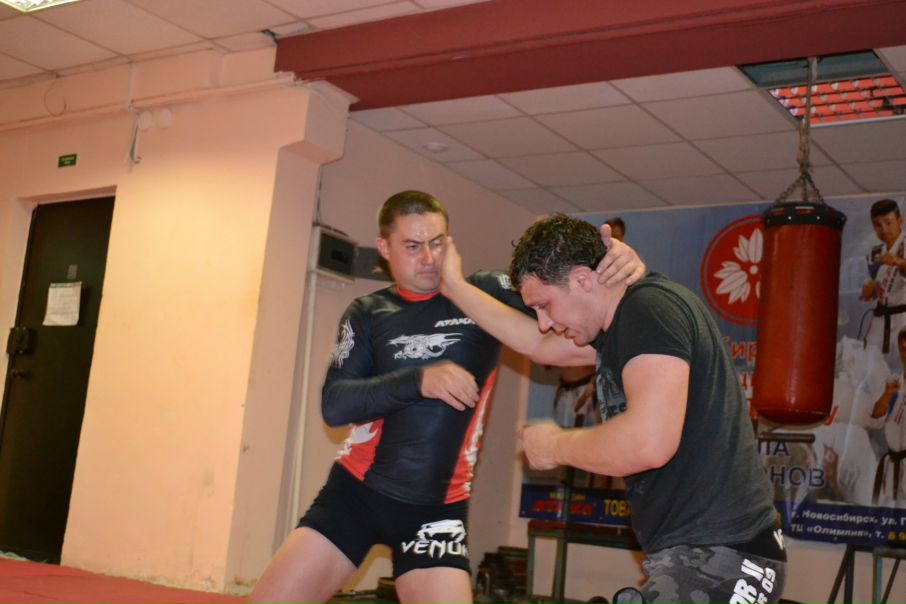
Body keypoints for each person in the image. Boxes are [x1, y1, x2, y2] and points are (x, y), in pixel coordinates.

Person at [248, 192, 645, 604]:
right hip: (354, 496)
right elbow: (335, 405)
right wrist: (419, 380)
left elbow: (581, 334)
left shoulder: (484, 292)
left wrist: (618, 275)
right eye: (412, 246)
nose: (428, 258)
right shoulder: (368, 312)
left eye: (437, 243)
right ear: (384, 248)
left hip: (436, 512)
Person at [440, 213, 787, 604]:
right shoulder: (618, 328)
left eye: (545, 305)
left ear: (582, 280)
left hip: (728, 555)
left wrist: (555, 445)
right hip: (697, 557)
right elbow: (535, 345)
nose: (544, 322)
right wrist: (453, 286)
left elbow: (648, 443)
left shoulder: (649, 311)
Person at [860, 198, 906, 355]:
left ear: (900, 220)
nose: (884, 229)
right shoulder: (875, 253)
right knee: (873, 362)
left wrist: (900, 262)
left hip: (903, 319)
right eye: (878, 225)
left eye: (888, 222)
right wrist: (868, 291)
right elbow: (868, 293)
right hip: (880, 320)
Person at [870, 326, 906, 506]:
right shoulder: (892, 382)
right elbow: (876, 417)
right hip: (892, 463)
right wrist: (887, 395)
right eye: (903, 348)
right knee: (888, 515)